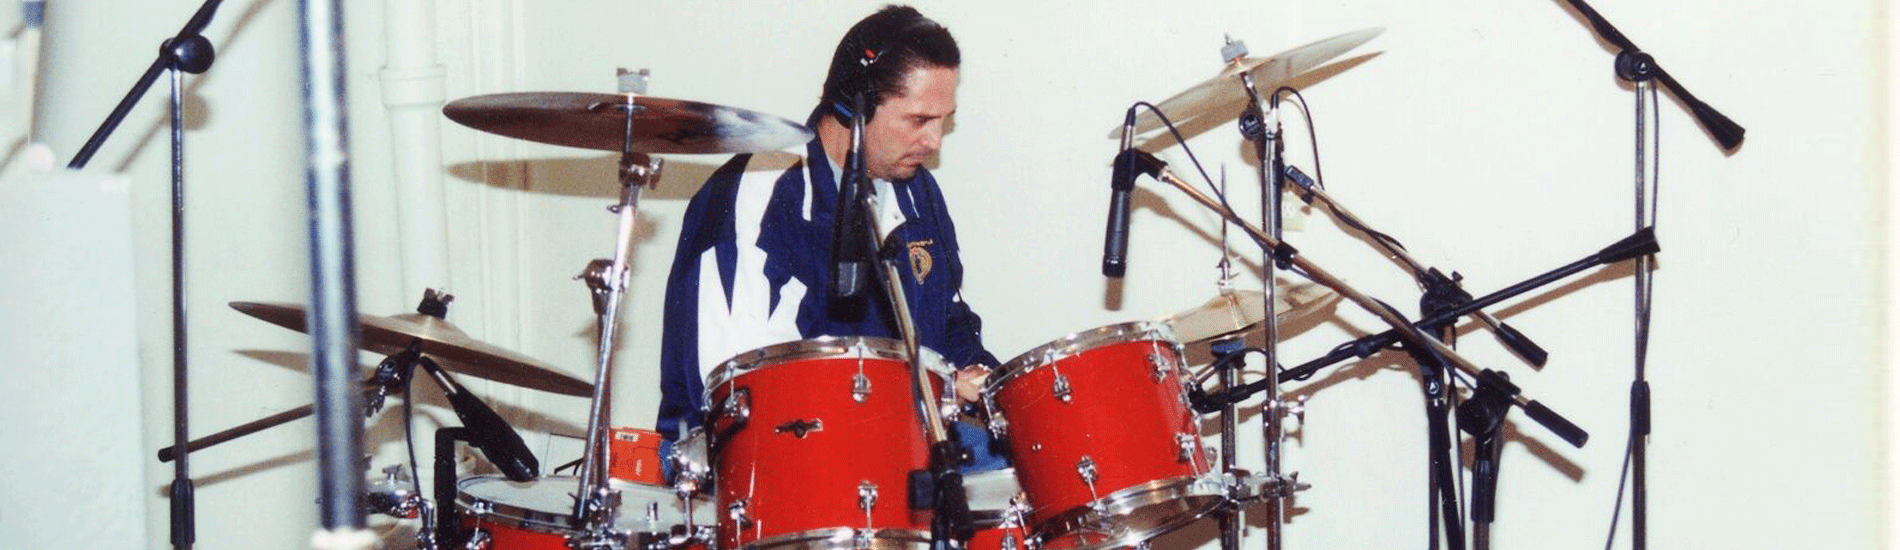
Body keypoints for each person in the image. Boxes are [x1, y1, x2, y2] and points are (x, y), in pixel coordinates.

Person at [655, 5, 1003, 471]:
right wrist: (934, 387)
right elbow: (739, 387)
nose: (935, 141)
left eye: (945, 120)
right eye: (919, 120)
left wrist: (985, 380)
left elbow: (950, 319)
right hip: (759, 451)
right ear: (851, 107)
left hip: (899, 428)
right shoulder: (759, 196)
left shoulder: (914, 187)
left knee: (1034, 470)